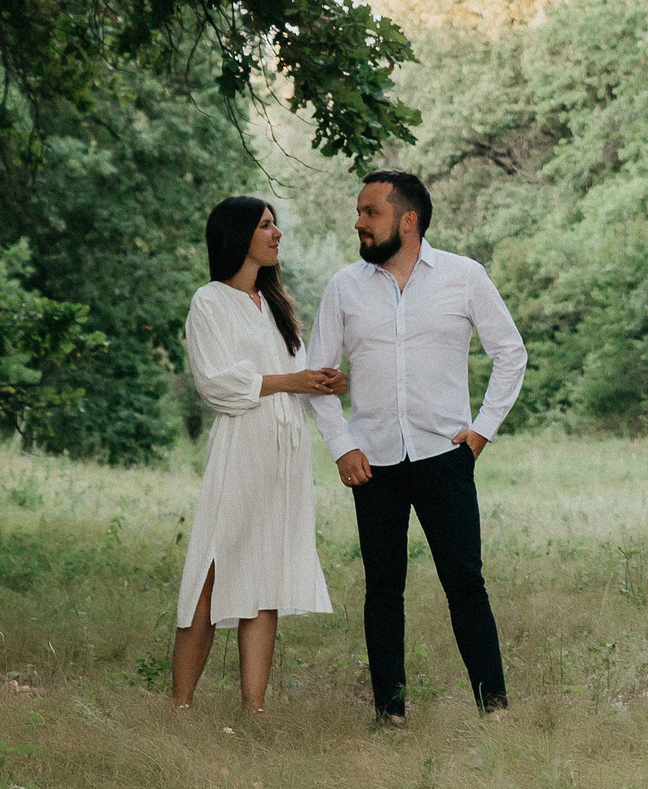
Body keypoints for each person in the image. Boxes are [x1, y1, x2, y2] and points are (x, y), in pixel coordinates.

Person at [307, 170, 527, 724]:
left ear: (408, 220)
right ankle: (390, 712)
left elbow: (510, 352)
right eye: (359, 211)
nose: (359, 222)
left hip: (444, 457)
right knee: (383, 589)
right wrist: (342, 446)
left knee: (465, 583)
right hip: (371, 461)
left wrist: (480, 432)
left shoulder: (464, 276)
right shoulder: (344, 287)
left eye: (370, 212)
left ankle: (494, 708)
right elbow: (317, 376)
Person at [171, 195, 347, 713]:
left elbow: (294, 377)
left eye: (276, 225)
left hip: (284, 452)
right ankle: (180, 706)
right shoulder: (210, 301)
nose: (276, 234)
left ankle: (255, 711)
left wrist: (322, 381)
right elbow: (216, 383)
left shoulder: (274, 304)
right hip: (241, 447)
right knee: (212, 569)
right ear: (238, 234)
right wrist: (291, 379)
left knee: (264, 573)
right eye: (266, 226)